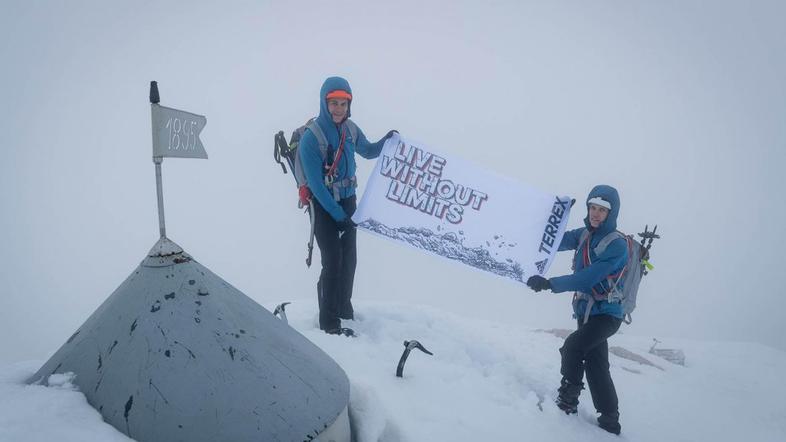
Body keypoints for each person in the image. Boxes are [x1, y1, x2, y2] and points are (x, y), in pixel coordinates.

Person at [526, 184, 627, 435]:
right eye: (592, 207)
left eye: (602, 210)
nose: (595, 213)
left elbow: (587, 278)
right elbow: (554, 241)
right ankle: (610, 419)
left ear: (611, 213)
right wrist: (558, 218)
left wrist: (550, 283)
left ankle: (567, 401)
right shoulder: (584, 234)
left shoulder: (617, 245)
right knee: (596, 363)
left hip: (607, 315)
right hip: (587, 312)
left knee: (573, 346)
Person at [298, 76, 396, 336]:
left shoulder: (351, 130)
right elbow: (317, 186)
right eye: (334, 103)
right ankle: (329, 324)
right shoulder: (311, 138)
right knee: (332, 260)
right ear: (324, 103)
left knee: (349, 260)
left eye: (343, 103)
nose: (339, 109)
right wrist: (337, 214)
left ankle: (343, 309)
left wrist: (387, 142)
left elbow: (369, 150)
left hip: (348, 202)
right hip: (323, 206)